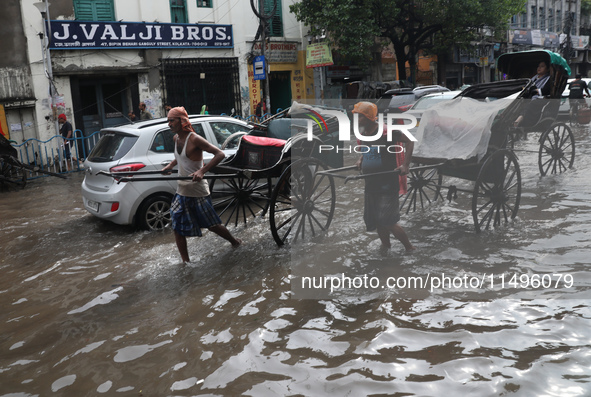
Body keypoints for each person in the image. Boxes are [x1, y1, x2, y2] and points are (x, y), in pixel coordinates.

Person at [161, 106, 241, 263]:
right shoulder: (176, 138)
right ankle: (186, 262)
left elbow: (220, 154)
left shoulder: (194, 139)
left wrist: (202, 171)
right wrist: (171, 165)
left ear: (182, 121)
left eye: (171, 120)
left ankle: (235, 242)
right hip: (182, 189)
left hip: (197, 190)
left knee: (212, 225)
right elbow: (181, 157)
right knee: (177, 227)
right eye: (167, 121)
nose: (169, 124)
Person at [353, 101, 415, 252]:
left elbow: (410, 141)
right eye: (356, 117)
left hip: (387, 183)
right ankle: (385, 246)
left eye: (360, 117)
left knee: (388, 222)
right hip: (371, 183)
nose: (357, 120)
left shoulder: (387, 131)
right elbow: (366, 150)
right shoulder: (363, 134)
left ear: (369, 118)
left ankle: (410, 248)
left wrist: (405, 165)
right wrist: (361, 159)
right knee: (378, 221)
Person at [514, 60, 552, 128]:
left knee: (531, 104)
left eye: (542, 66)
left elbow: (547, 90)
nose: (539, 68)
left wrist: (535, 91)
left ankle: (519, 119)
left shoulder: (549, 78)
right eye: (538, 66)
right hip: (530, 98)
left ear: (548, 69)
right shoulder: (534, 78)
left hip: (541, 100)